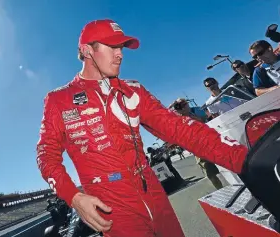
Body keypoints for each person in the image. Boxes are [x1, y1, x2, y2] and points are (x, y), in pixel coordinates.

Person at [36, 19, 248, 237]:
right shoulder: (58, 100)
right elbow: (46, 155)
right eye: (112, 47)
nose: (120, 54)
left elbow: (181, 129)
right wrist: (73, 197)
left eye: (122, 47)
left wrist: (245, 159)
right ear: (87, 50)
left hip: (153, 192)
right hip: (111, 204)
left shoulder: (134, 90)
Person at [169, 98, 224, 190]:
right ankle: (221, 189)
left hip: (211, 142)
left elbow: (209, 119)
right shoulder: (177, 120)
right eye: (182, 105)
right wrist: (172, 105)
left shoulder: (197, 111)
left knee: (226, 165)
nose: (185, 107)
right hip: (198, 149)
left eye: (185, 104)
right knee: (210, 173)